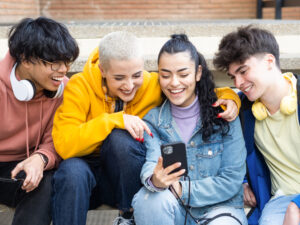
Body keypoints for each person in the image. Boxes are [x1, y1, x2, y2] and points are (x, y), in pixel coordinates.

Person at [51, 31, 241, 225]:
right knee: (71, 171)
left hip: (128, 177)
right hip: (87, 178)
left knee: (120, 140)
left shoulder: (152, 85)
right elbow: (64, 145)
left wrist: (231, 97)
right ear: (102, 70)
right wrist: (114, 120)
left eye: (136, 75)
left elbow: (192, 89)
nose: (129, 85)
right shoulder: (79, 86)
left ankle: (130, 215)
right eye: (119, 78)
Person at [132, 34, 247, 225]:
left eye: (183, 74)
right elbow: (152, 161)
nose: (174, 83)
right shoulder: (153, 120)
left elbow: (231, 179)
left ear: (198, 73)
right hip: (176, 211)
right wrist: (155, 180)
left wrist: (182, 190)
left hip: (221, 210)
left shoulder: (224, 114)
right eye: (165, 75)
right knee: (150, 200)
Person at [213, 26, 300, 225]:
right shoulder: (245, 111)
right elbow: (199, 96)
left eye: (243, 71)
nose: (239, 82)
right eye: (233, 76)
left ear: (269, 61)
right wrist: (243, 183)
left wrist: (297, 205)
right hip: (280, 203)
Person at [0, 17, 79, 225]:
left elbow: (60, 137)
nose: (63, 70)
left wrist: (41, 158)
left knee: (48, 182)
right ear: (25, 60)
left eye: (66, 62)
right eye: (54, 62)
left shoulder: (63, 89)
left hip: (27, 167)